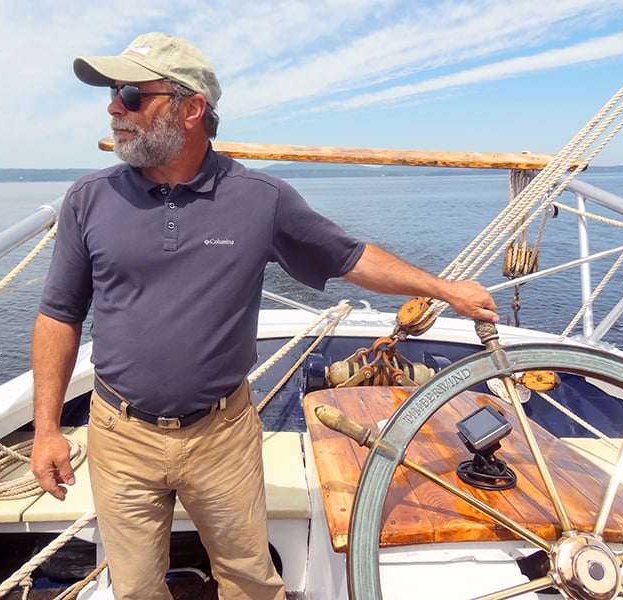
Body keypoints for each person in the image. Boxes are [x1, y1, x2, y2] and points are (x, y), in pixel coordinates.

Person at [30, 32, 498, 600]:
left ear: (191, 109)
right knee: (132, 589)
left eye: (130, 94)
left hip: (221, 434)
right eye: (112, 95)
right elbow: (59, 315)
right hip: (118, 433)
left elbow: (349, 257)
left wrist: (443, 288)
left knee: (250, 581)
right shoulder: (89, 198)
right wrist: (48, 430)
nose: (113, 108)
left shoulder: (259, 198)